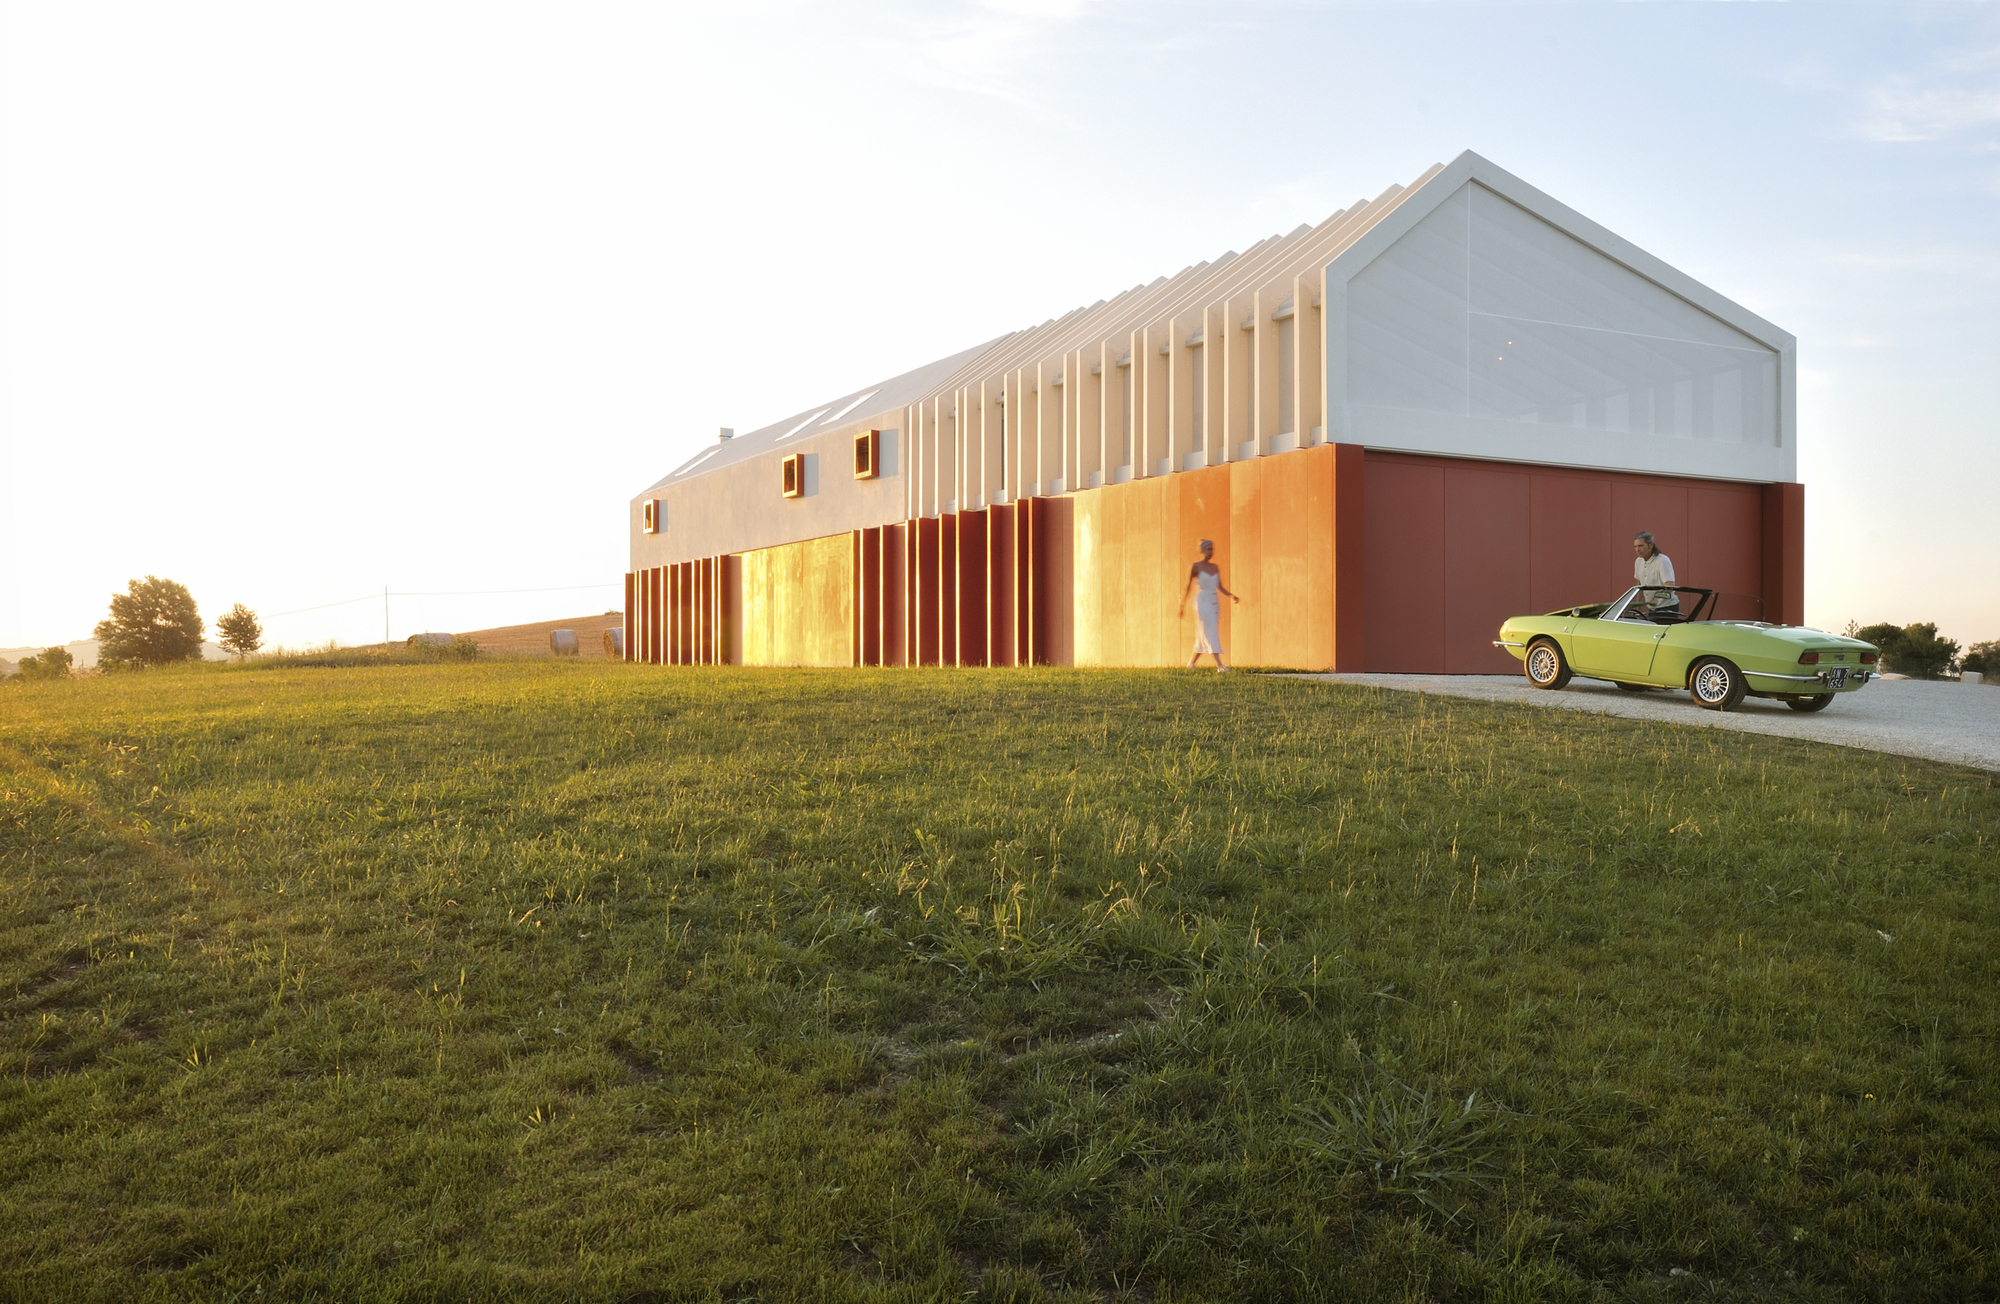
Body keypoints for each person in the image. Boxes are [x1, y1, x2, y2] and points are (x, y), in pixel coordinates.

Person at [1177, 538, 1240, 671]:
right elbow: (1187, 586)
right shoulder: (1195, 567)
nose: (1211, 552)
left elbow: (1220, 587)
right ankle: (1219, 665)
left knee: (1205, 631)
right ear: (1203, 550)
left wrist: (1231, 595)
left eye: (1212, 549)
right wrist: (1182, 605)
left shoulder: (1215, 567)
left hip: (1214, 601)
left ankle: (1192, 663)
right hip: (1201, 601)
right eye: (1209, 549)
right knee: (1210, 630)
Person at [1632, 531, 1679, 618]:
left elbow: (1670, 586)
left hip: (1667, 608)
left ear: (1651, 545)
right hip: (1652, 608)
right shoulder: (1638, 561)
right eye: (1635, 546)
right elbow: (1640, 585)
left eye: (1641, 546)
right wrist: (1637, 606)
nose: (1638, 549)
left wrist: (1657, 597)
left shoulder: (1662, 561)